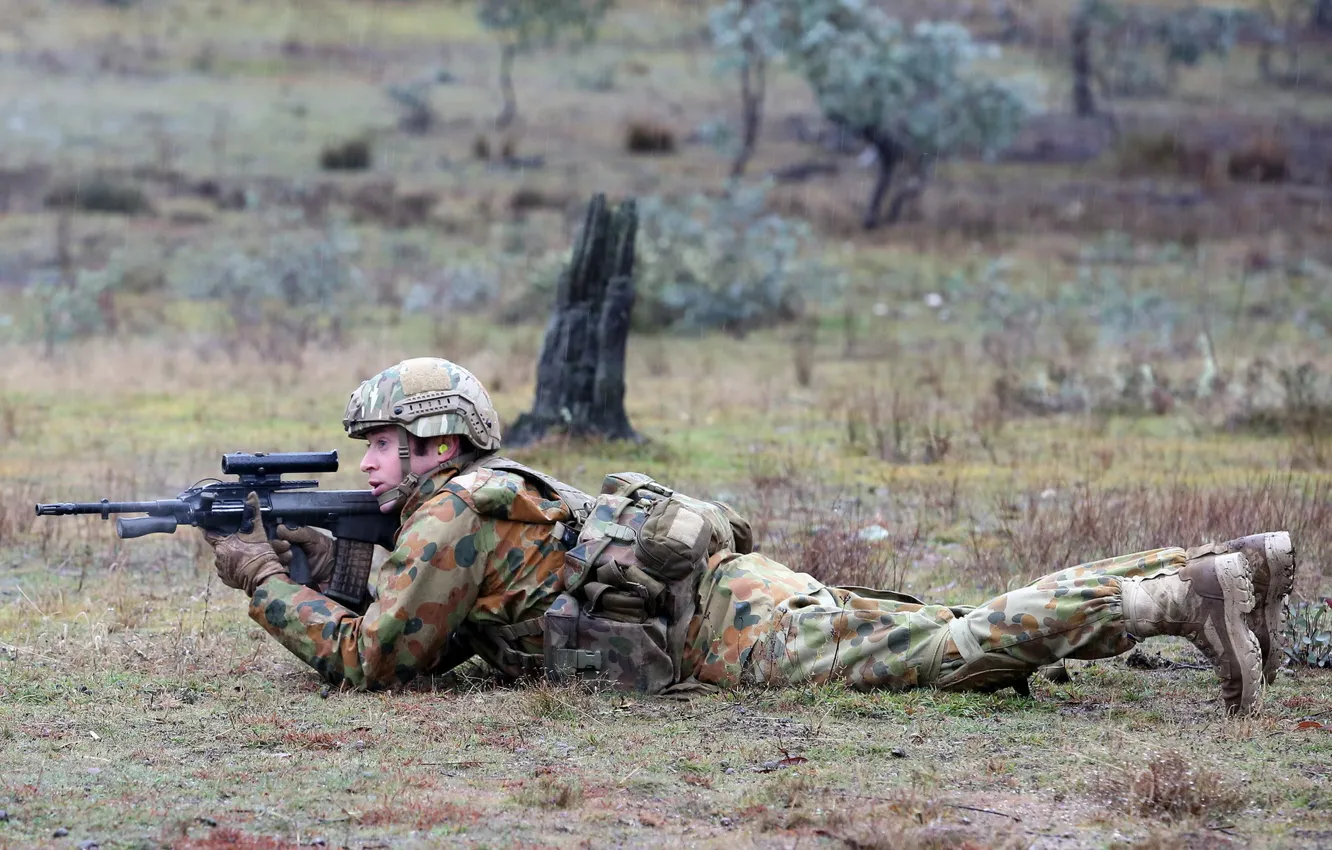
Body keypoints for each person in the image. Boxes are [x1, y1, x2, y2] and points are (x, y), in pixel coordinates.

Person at [203, 358, 1298, 715]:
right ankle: (1234, 569)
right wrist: (333, 567)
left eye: (386, 443)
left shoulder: (450, 514)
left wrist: (261, 579)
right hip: (734, 586)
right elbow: (446, 623)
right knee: (957, 623)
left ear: (435, 442)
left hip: (731, 636)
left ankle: (1176, 599)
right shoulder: (491, 491)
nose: (370, 464)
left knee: (951, 654)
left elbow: (379, 661)